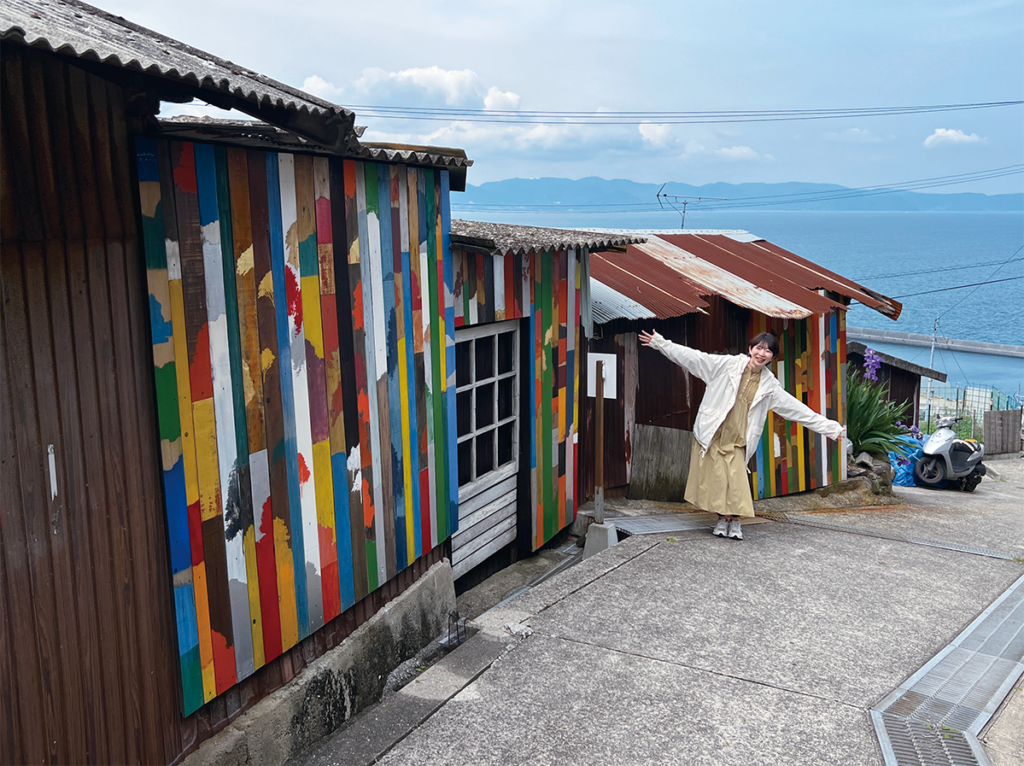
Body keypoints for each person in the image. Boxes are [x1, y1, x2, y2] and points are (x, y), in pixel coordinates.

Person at [638, 329, 846, 540]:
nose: (761, 353)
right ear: (750, 349)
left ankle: (735, 521)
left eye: (768, 351)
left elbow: (798, 410)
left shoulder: (770, 386)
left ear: (773, 357)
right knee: (718, 480)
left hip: (738, 440)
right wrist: (660, 343)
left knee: (736, 482)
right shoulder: (726, 365)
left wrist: (831, 429)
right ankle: (722, 520)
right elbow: (693, 358)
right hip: (713, 433)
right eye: (758, 348)